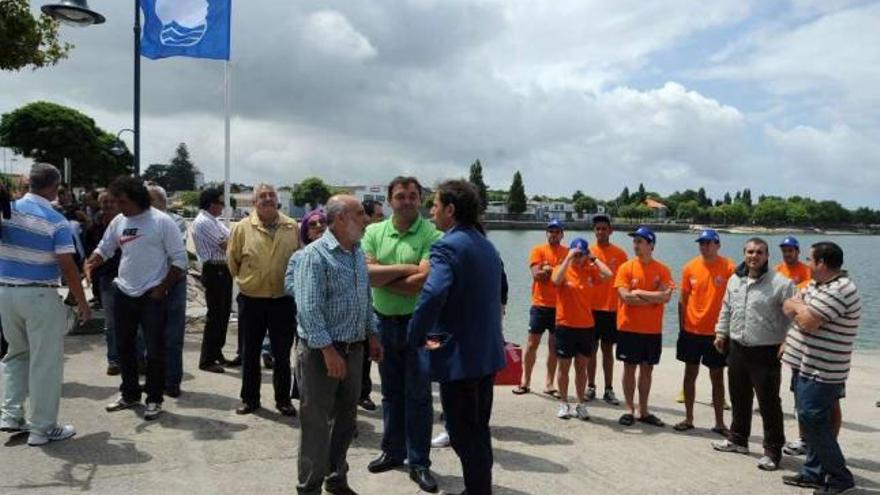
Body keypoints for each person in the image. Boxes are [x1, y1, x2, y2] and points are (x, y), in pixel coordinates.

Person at [409, 180, 506, 495]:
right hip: (486, 354)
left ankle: (478, 491)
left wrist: (415, 334)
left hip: (460, 359)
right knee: (478, 431)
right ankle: (480, 488)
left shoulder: (447, 245)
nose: (431, 211)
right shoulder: (484, 243)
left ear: (451, 210)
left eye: (435, 205)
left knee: (463, 434)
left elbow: (433, 292)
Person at [288, 194, 383, 495]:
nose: (366, 219)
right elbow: (308, 308)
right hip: (321, 353)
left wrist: (372, 333)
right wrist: (328, 351)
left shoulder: (356, 252)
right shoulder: (314, 255)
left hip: (354, 350)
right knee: (315, 423)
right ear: (340, 218)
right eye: (359, 213)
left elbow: (364, 298)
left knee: (346, 419)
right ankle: (309, 488)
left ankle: (336, 478)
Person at [0, 163, 91, 446]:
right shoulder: (55, 220)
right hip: (40, 295)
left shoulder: (7, 212)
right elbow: (67, 265)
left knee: (16, 354)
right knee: (45, 362)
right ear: (54, 187)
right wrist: (82, 301)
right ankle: (42, 428)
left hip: (6, 292)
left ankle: (10, 415)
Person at [85, 175, 187, 421]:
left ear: (136, 198)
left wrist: (162, 288)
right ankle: (130, 394)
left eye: (121, 201)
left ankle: (154, 398)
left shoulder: (162, 221)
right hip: (124, 292)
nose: (118, 207)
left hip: (152, 295)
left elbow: (180, 261)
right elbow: (105, 248)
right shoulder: (119, 221)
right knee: (124, 348)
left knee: (155, 350)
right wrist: (91, 262)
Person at [363, 177, 442, 493]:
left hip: (418, 325)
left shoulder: (433, 234)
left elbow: (421, 282)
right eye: (400, 196)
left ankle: (419, 461)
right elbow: (366, 274)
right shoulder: (372, 231)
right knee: (391, 393)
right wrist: (406, 269)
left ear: (421, 199)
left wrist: (384, 274)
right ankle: (392, 451)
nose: (407, 201)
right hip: (382, 323)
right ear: (390, 200)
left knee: (419, 396)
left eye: (413, 196)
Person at [780, 242, 860, 494]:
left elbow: (807, 321)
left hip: (823, 370)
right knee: (810, 417)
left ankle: (840, 477)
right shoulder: (819, 284)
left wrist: (800, 308)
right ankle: (813, 473)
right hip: (805, 364)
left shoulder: (841, 289)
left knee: (812, 419)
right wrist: (800, 308)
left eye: (810, 259)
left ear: (822, 263)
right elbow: (787, 305)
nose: (807, 263)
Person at [711, 237, 795, 471]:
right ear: (744, 253)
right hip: (737, 347)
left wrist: (788, 341)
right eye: (750, 252)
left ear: (767, 256)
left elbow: (794, 317)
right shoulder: (735, 280)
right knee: (739, 396)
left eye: (759, 252)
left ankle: (773, 450)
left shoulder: (781, 283)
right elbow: (726, 308)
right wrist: (720, 332)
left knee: (769, 403)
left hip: (766, 350)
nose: (754, 256)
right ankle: (738, 439)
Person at [226, 184, 299, 416]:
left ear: (277, 200)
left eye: (271, 195)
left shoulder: (291, 226)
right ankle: (249, 399)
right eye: (262, 196)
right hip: (251, 300)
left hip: (282, 300)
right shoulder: (242, 228)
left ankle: (283, 400)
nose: (268, 199)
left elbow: (298, 259)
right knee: (250, 352)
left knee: (282, 352)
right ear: (254, 202)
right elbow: (233, 260)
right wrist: (249, 280)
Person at [674, 229, 735, 434]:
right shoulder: (689, 267)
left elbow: (734, 300)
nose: (705, 246)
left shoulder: (729, 267)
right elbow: (682, 299)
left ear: (718, 245)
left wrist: (727, 330)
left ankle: (719, 423)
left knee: (717, 376)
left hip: (716, 332)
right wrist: (682, 328)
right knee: (689, 374)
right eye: (702, 243)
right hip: (691, 330)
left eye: (709, 243)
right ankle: (688, 418)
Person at [614, 226, 674, 427]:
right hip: (629, 327)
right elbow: (626, 298)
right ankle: (629, 409)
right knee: (629, 368)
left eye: (640, 241)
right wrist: (653, 298)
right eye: (635, 241)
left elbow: (667, 296)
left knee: (647, 370)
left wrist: (640, 291)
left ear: (651, 245)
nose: (636, 245)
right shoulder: (626, 267)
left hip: (652, 330)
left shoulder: (662, 269)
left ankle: (644, 410)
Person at [551, 238, 612, 420]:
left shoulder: (590, 271)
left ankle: (580, 404)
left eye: (581, 255)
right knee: (564, 367)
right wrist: (568, 257)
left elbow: (609, 275)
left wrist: (593, 259)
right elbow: (555, 281)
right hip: (565, 325)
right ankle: (563, 403)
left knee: (581, 368)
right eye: (575, 254)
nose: (578, 258)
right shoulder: (563, 269)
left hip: (586, 326)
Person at [514, 219, 567, 397]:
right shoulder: (538, 250)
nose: (553, 234)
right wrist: (555, 271)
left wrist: (548, 269)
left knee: (554, 347)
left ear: (562, 234)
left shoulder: (567, 253)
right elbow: (537, 275)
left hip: (559, 307)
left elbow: (565, 278)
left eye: (557, 231)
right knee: (531, 344)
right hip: (539, 305)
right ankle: (525, 381)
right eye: (551, 231)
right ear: (547, 233)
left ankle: (549, 383)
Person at [146, 184, 188, 397]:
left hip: (173, 284)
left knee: (172, 336)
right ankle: (154, 380)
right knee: (151, 336)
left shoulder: (176, 222)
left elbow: (174, 253)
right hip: (150, 284)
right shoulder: (141, 221)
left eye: (151, 200)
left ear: (162, 202)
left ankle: (172, 381)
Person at [192, 187, 236, 374]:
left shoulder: (214, 221)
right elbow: (227, 244)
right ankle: (207, 359)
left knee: (223, 314)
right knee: (215, 316)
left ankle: (217, 352)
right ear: (212, 204)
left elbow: (232, 237)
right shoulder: (203, 222)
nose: (222, 207)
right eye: (220, 203)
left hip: (223, 270)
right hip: (215, 269)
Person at [587, 214, 627, 404]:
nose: (601, 232)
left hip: (611, 309)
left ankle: (609, 388)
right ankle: (590, 386)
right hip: (590, 308)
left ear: (611, 230)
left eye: (604, 228)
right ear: (594, 231)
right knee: (591, 350)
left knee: (607, 350)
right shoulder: (587, 252)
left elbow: (624, 282)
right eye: (598, 229)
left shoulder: (620, 254)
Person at [288, 208, 328, 399]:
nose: (319, 226)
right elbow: (288, 285)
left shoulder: (341, 254)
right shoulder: (298, 257)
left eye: (322, 222)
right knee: (308, 363)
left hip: (335, 321)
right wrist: (310, 293)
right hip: (307, 321)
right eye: (313, 224)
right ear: (306, 232)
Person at [83, 191, 123, 375]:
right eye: (104, 202)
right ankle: (114, 360)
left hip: (130, 278)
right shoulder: (94, 228)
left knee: (137, 322)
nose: (108, 205)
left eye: (111, 201)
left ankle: (138, 359)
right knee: (112, 322)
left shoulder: (128, 224)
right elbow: (89, 254)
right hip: (107, 279)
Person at [358, 199, 384, 411]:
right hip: (363, 303)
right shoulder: (354, 237)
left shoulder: (379, 238)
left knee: (367, 352)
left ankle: (363, 393)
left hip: (376, 303)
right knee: (359, 355)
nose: (381, 219)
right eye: (378, 216)